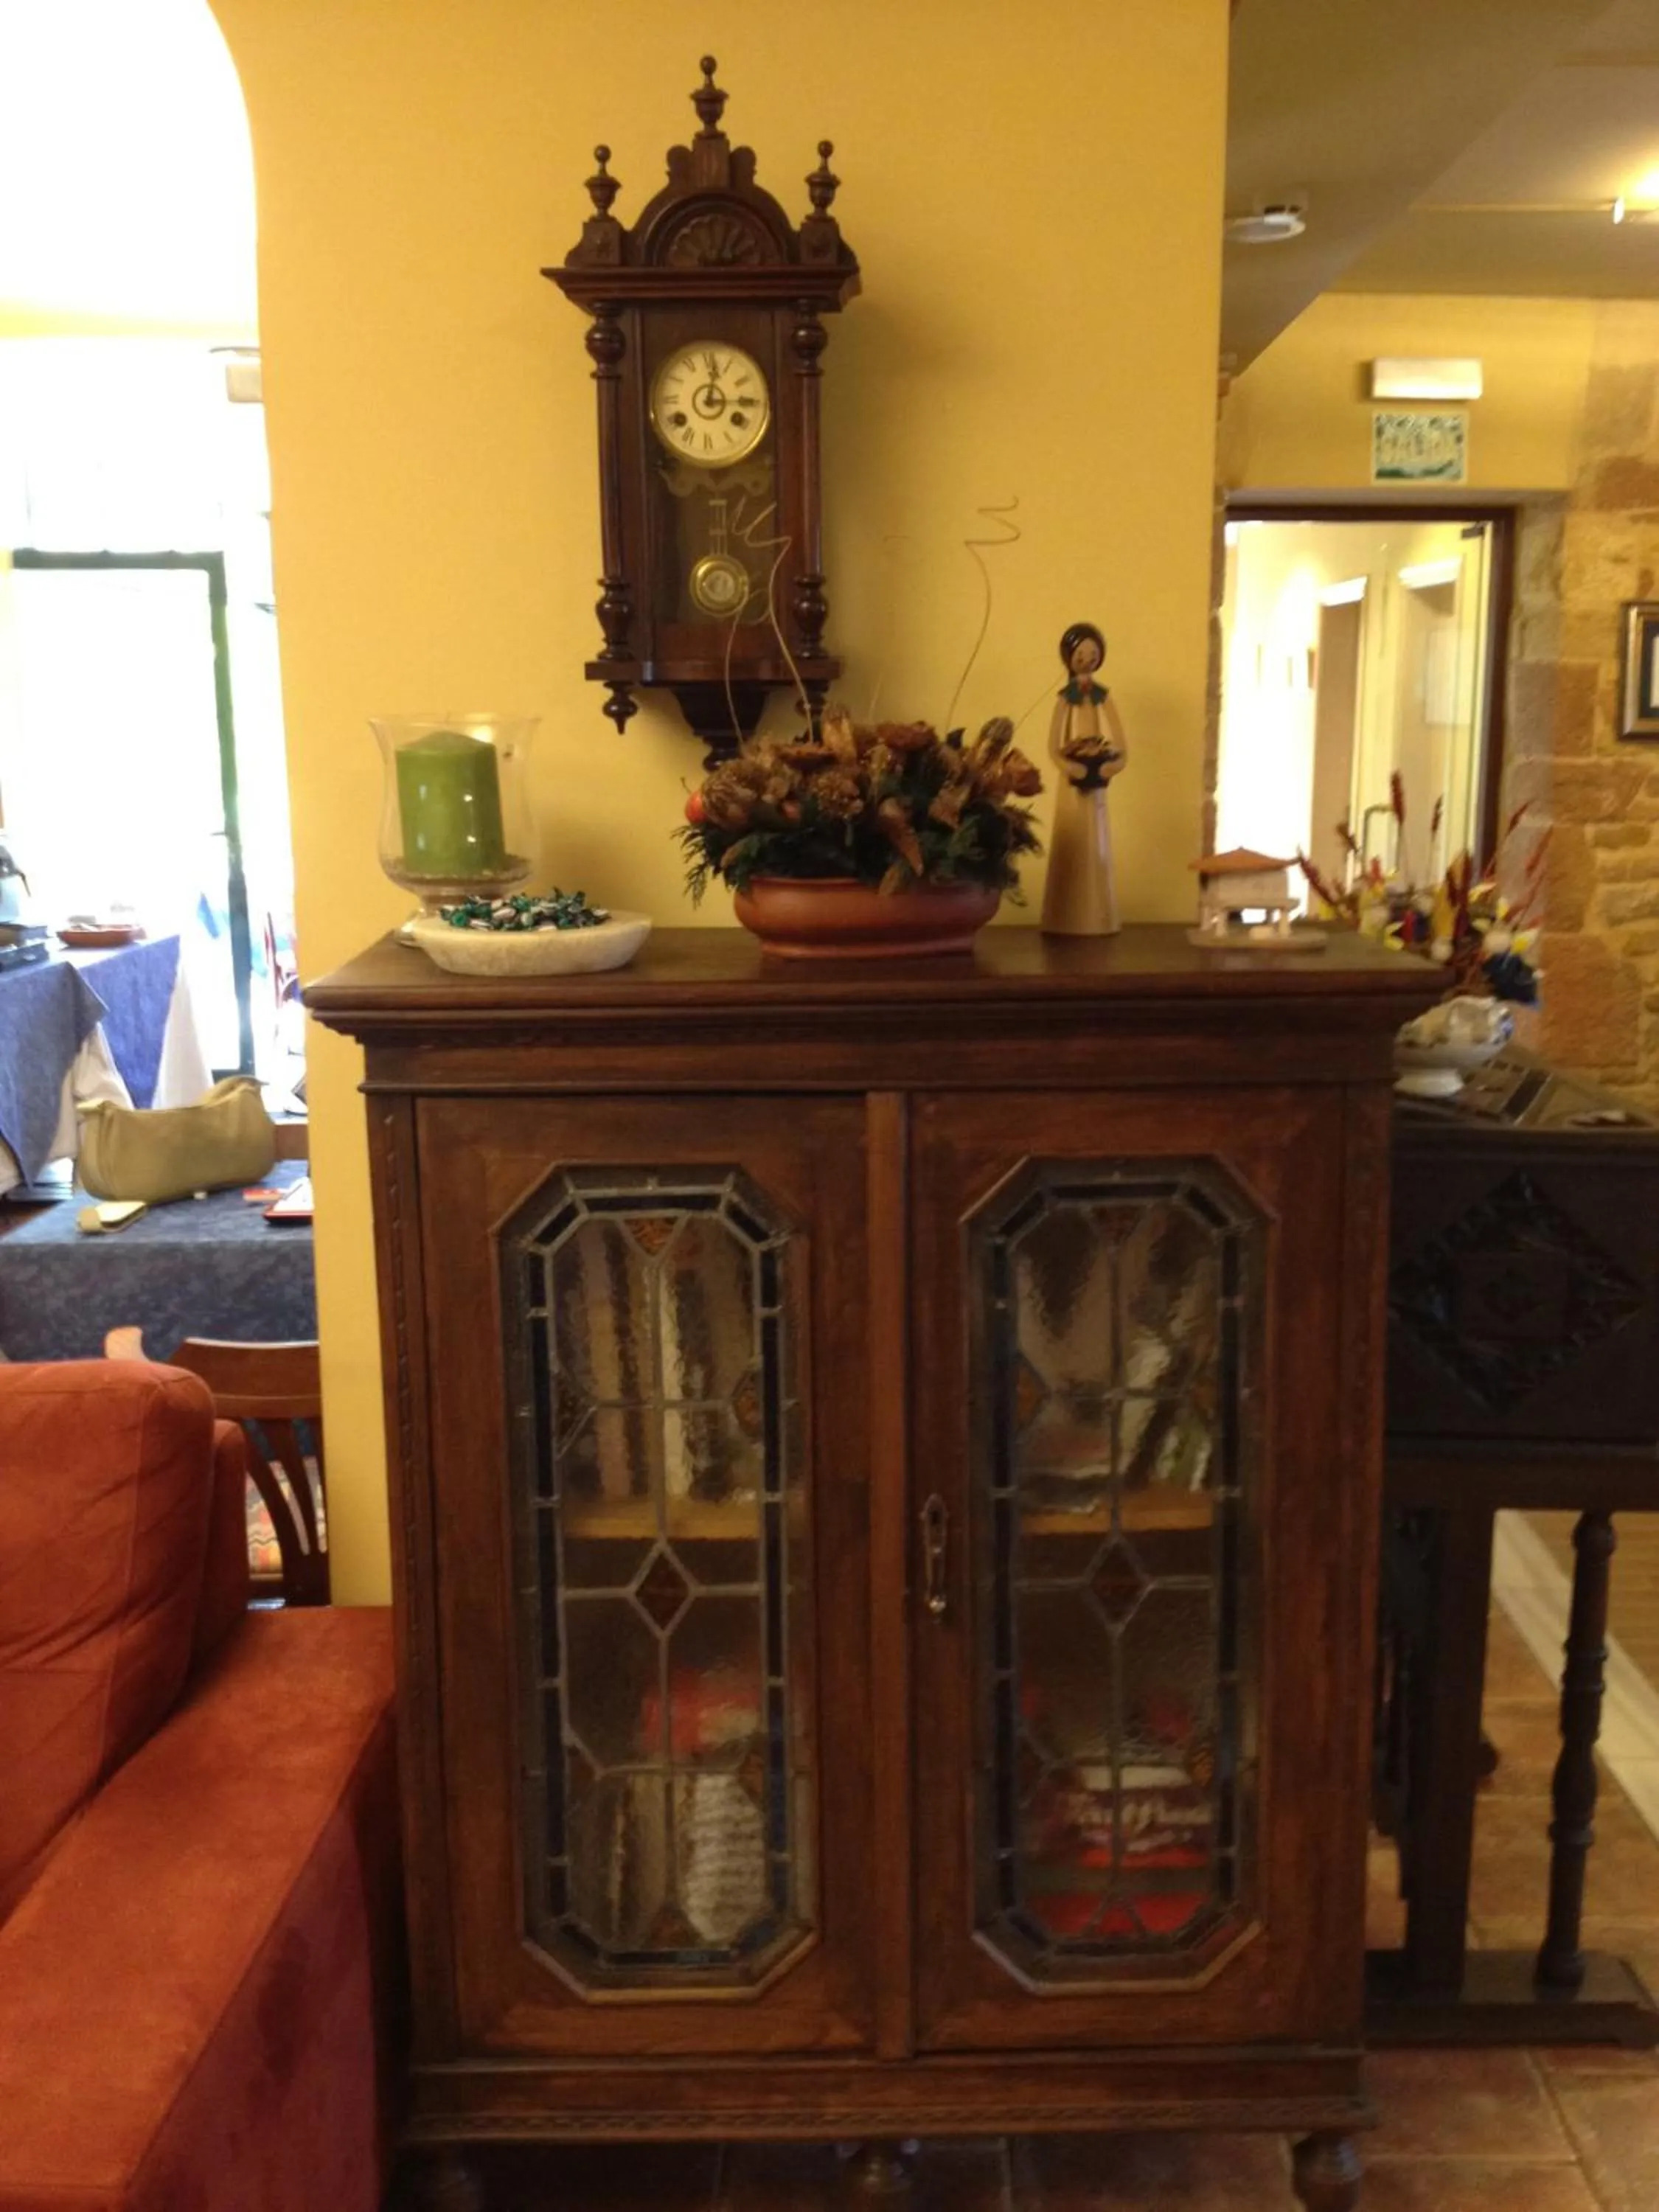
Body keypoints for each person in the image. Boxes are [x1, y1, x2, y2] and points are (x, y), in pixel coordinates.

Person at [1041, 622, 1129, 936]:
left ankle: (1100, 916)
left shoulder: (1103, 696)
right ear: (1069, 657)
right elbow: (1053, 744)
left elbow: (1120, 740)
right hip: (1073, 775)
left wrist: (1115, 764)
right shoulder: (1066, 698)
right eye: (1082, 653)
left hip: (1097, 770)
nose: (1088, 658)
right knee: (1073, 837)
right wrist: (1067, 766)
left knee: (1097, 839)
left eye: (1093, 653)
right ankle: (1065, 916)